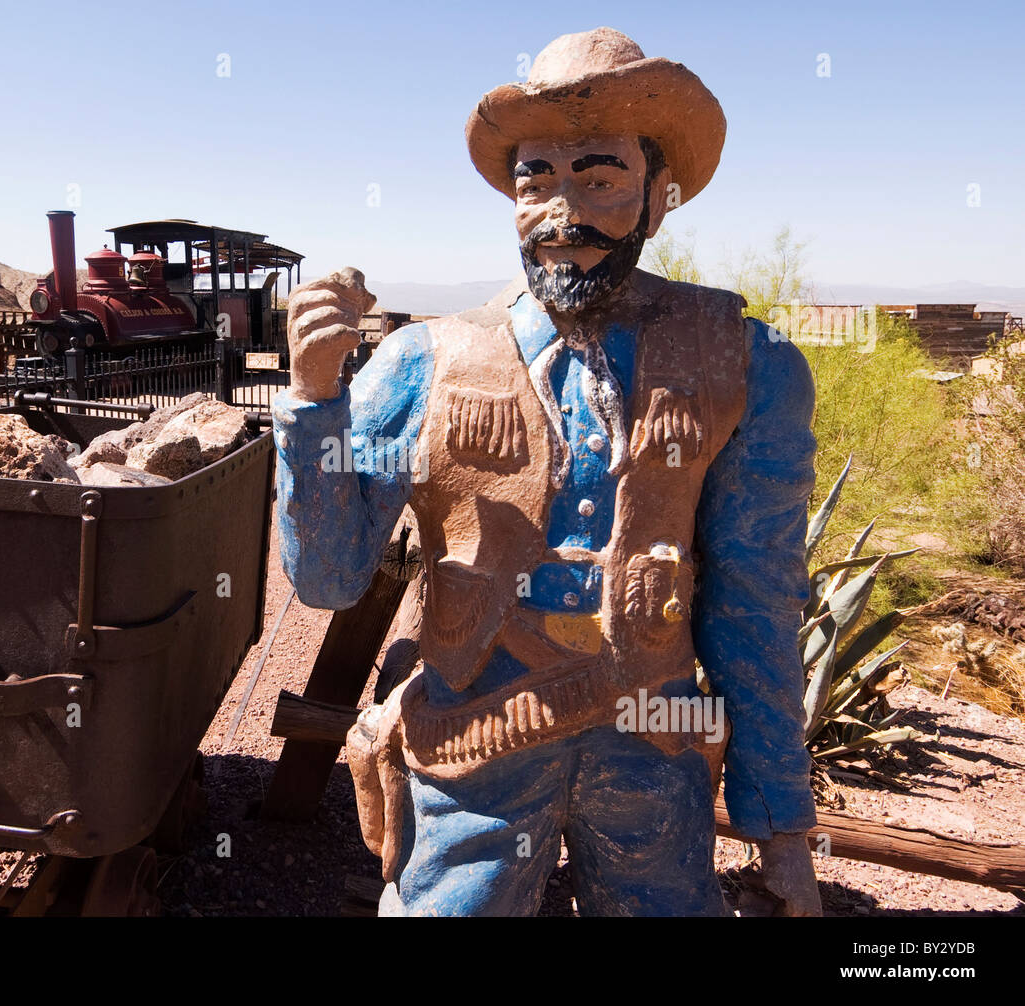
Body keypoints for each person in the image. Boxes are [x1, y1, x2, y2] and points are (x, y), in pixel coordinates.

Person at [272, 27, 821, 917]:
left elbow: (756, 596)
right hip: (471, 737)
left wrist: (780, 824)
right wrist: (311, 400)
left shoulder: (746, 364)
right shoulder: (422, 362)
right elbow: (331, 578)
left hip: (659, 734)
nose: (562, 211)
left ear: (658, 196)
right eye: (536, 181)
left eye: (598, 178)